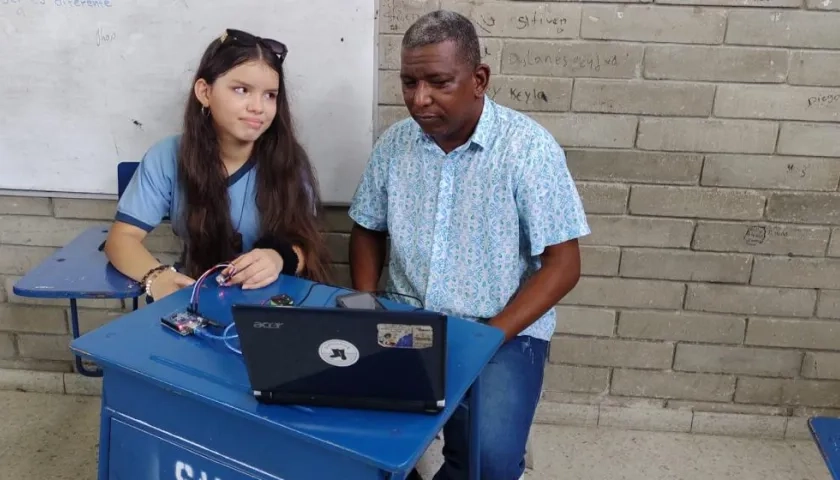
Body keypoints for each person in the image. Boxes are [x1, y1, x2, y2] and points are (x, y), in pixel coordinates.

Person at [348, 10, 590, 480]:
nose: (419, 100)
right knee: (355, 436)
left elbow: (564, 265)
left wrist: (490, 336)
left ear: (479, 79)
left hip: (500, 329)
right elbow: (367, 227)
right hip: (405, 319)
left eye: (438, 82)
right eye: (409, 83)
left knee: (489, 464)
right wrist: (365, 305)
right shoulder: (396, 144)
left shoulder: (528, 150)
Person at [104, 28, 331, 301]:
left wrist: (278, 257)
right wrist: (157, 277)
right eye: (241, 90)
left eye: (270, 95)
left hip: (274, 304)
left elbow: (307, 245)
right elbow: (122, 238)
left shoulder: (290, 159)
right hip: (197, 296)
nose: (258, 107)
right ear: (205, 91)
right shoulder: (167, 156)